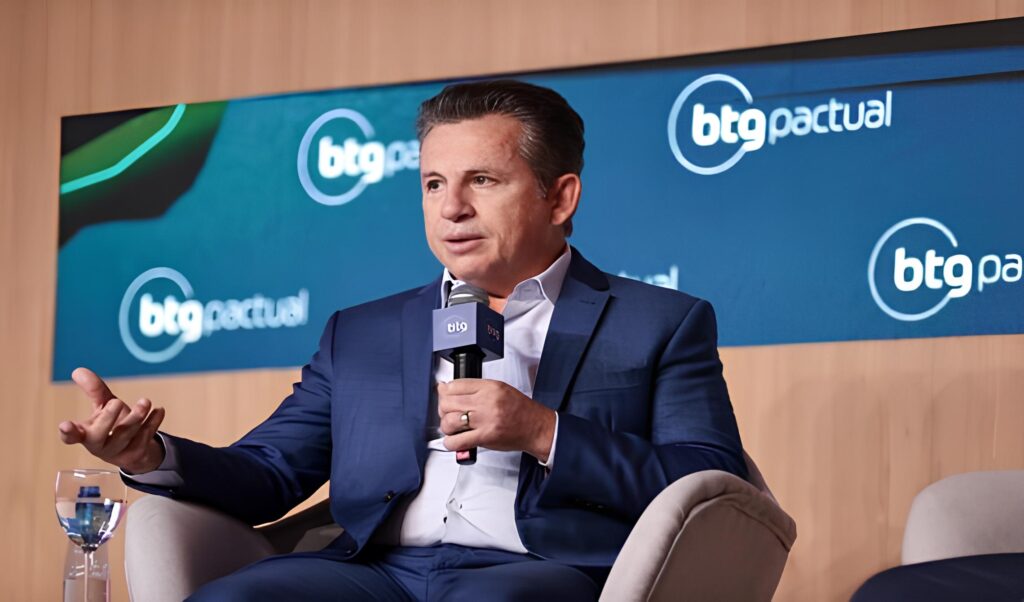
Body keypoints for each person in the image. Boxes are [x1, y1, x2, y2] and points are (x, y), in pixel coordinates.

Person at [58, 79, 748, 601]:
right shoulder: (361, 332)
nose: (452, 208)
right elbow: (269, 473)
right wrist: (151, 455)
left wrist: (542, 431)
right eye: (433, 183)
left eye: (483, 180)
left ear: (559, 198)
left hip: (535, 570)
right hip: (372, 571)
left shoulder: (658, 321)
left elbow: (708, 485)